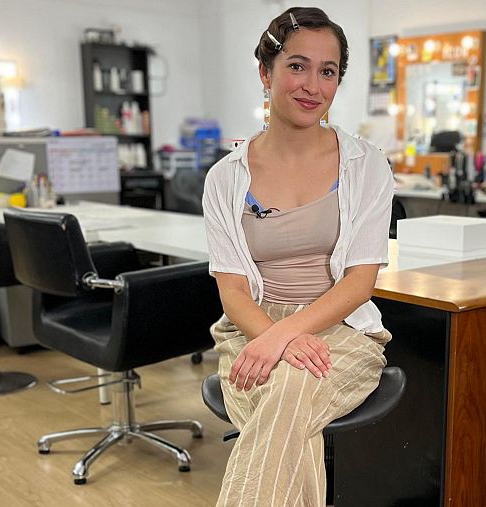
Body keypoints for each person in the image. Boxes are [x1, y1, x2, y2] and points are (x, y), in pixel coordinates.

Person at [201, 7, 394, 507]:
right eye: (297, 66)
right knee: (293, 418)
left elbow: (358, 284)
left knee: (289, 388)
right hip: (251, 329)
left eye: (327, 72)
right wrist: (273, 336)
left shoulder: (367, 165)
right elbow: (233, 291)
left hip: (342, 331)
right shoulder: (224, 178)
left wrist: (286, 338)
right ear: (266, 72)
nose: (313, 85)